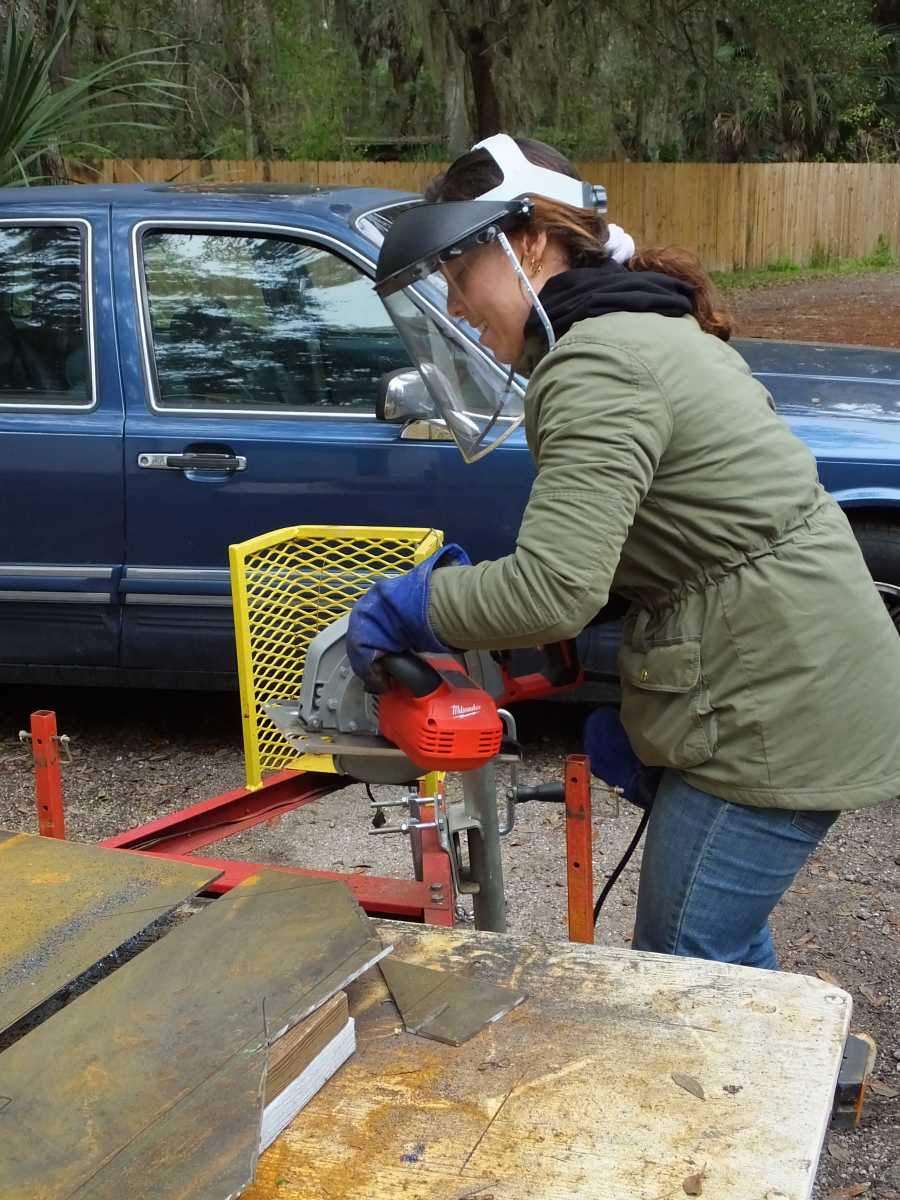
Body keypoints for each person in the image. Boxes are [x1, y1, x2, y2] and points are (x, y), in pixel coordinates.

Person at [347, 134, 900, 968]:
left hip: (776, 705)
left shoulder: (597, 360)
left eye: (460, 276)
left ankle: (745, 1097)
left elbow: (552, 592)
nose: (455, 306)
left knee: (682, 958)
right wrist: (652, 717)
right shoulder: (640, 325)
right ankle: (796, 1086)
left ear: (529, 241)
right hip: (800, 673)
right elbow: (684, 532)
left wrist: (412, 605)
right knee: (724, 941)